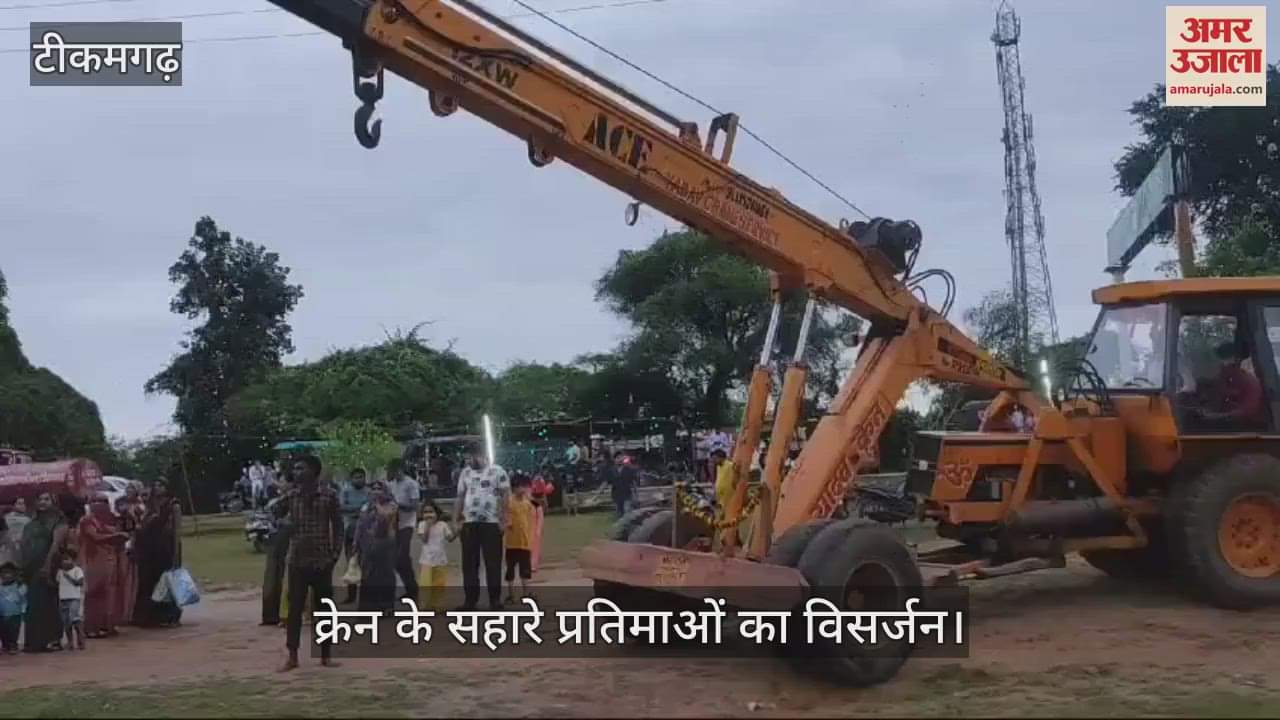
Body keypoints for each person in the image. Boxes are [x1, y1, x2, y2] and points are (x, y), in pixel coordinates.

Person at [279, 454, 343, 673]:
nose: (296, 472)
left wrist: (334, 555)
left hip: (322, 561)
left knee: (325, 609)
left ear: (313, 471)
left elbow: (339, 527)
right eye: (295, 469)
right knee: (294, 610)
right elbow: (271, 512)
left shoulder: (329, 496)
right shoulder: (291, 496)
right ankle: (293, 655)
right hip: (297, 560)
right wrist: (283, 524)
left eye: (301, 468)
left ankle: (326, 655)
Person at [452, 442, 510, 611]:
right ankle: (470, 601)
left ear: (482, 455)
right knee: (469, 564)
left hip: (491, 523)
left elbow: (506, 496)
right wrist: (455, 520)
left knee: (493, 563)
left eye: (472, 457)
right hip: (469, 523)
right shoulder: (465, 473)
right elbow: (460, 497)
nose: (469, 461)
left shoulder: (497, 471)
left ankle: (495, 600)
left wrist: (504, 520)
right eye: (467, 458)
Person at [21, 491, 69, 652]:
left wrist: (47, 566)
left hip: (49, 567)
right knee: (34, 604)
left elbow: (56, 545)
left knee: (49, 603)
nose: (43, 502)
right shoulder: (32, 523)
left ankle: (52, 640)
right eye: (40, 499)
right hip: (32, 569)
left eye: (47, 499)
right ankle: (34, 642)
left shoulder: (59, 521)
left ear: (53, 502)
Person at [134, 481, 183, 628]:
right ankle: (154, 616)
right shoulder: (151, 506)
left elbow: (176, 531)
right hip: (150, 551)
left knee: (168, 582)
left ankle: (171, 616)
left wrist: (176, 553)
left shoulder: (173, 506)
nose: (157, 487)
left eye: (161, 485)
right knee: (152, 583)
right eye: (155, 485)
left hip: (166, 548)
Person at [78, 498, 128, 639]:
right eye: (97, 501)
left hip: (106, 560)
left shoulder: (105, 521)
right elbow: (95, 537)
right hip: (92, 560)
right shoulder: (87, 520)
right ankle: (90, 628)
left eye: (104, 502)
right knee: (92, 594)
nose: (101, 505)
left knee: (104, 595)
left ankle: (103, 625)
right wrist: (116, 536)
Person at [354, 479, 398, 614]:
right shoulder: (366, 506)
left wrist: (378, 503)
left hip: (385, 544)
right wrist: (355, 542)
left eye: (379, 488)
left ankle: (386, 606)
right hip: (367, 544)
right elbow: (360, 525)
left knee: (384, 575)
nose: (375, 491)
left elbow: (385, 518)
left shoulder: (391, 505)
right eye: (373, 489)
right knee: (368, 574)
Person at [386, 459, 421, 603]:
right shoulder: (391, 484)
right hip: (394, 524)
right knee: (398, 559)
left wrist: (397, 504)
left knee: (401, 557)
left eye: (395, 470)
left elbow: (414, 505)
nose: (394, 473)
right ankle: (411, 589)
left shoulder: (411, 484)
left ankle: (412, 589)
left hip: (407, 523)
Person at [338, 468, 369, 605]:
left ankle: (366, 595)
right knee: (351, 563)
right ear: (351, 479)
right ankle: (351, 595)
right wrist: (360, 510)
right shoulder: (345, 491)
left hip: (366, 533)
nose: (359, 479)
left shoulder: (369, 492)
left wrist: (356, 510)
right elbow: (341, 507)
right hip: (350, 531)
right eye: (356, 477)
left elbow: (370, 508)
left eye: (361, 477)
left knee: (366, 564)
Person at [416, 501, 454, 611]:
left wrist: (457, 530)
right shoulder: (422, 525)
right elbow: (424, 539)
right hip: (426, 559)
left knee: (439, 583)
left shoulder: (443, 525)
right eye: (425, 512)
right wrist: (428, 526)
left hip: (441, 559)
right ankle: (424, 605)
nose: (428, 514)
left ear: (437, 513)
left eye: (431, 511)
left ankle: (437, 605)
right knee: (425, 583)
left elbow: (450, 538)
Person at [504, 475, 535, 605]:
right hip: (511, 544)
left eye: (524, 487)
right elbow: (506, 518)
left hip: (524, 543)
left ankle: (526, 594)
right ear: (514, 488)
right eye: (520, 487)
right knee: (510, 570)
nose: (523, 489)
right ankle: (511, 595)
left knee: (525, 571)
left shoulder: (527, 503)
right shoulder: (509, 502)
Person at [113, 494, 140, 629]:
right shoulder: (116, 519)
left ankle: (127, 613)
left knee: (128, 583)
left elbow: (132, 534)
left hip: (127, 553)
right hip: (119, 554)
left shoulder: (130, 518)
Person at [56, 549, 86, 651]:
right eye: (63, 560)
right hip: (63, 599)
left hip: (74, 599)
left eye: (67, 559)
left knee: (75, 620)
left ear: (73, 560)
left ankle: (81, 641)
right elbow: (57, 583)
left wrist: (68, 577)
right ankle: (70, 642)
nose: (65, 562)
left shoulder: (78, 570)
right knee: (66, 623)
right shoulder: (60, 572)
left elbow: (80, 583)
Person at [529, 467, 554, 572]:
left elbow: (542, 492)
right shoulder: (539, 481)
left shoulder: (536, 481)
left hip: (536, 502)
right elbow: (543, 492)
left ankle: (533, 558)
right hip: (536, 501)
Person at [0, 561, 26, 654]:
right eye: (4, 573)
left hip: (15, 614)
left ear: (14, 574)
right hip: (2, 614)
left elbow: (23, 599)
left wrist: (23, 611)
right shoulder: (0, 587)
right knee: (3, 631)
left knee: (13, 631)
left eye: (9, 573)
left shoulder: (19, 586)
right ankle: (5, 645)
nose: (6, 575)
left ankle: (13, 645)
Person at [1, 498, 29, 568]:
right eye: (20, 503)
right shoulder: (5, 518)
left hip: (22, 552)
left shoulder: (28, 520)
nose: (23, 506)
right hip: (8, 551)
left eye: (24, 504)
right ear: (13, 506)